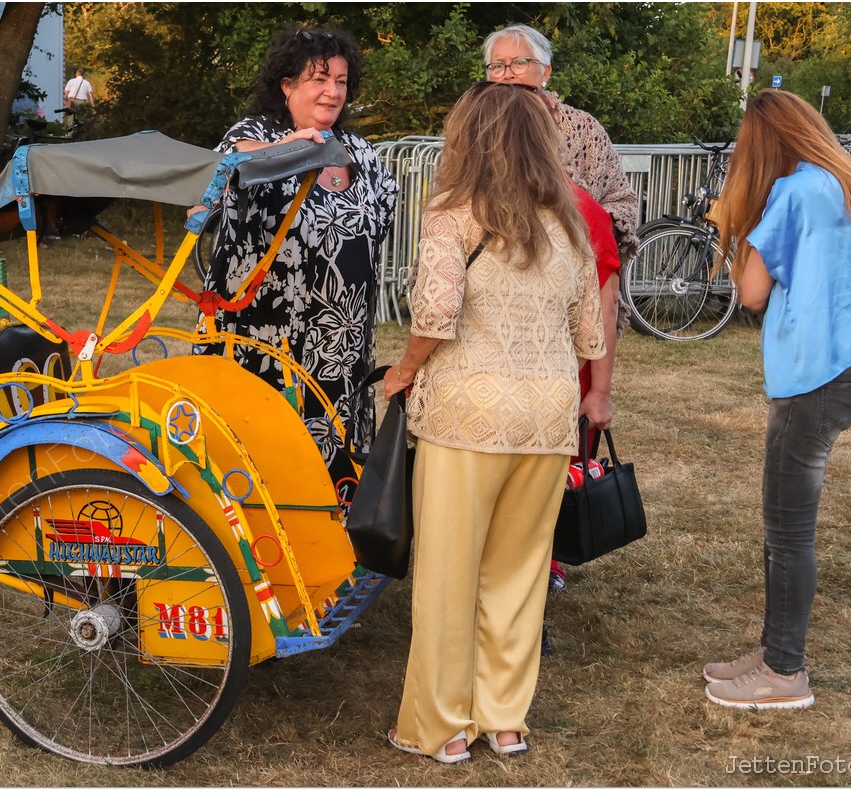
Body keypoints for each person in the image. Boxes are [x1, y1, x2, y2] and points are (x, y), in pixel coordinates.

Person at [382, 80, 604, 763]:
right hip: (546, 413)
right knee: (519, 572)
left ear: (467, 137)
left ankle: (441, 725)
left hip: (468, 413)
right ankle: (505, 719)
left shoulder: (454, 210)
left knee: (450, 572)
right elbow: (589, 334)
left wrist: (402, 371)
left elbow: (435, 313)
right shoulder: (569, 221)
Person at [703, 90, 851, 710]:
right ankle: (775, 651)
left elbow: (751, 292)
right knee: (786, 528)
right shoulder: (842, 184)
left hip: (811, 376)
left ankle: (784, 673)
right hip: (849, 366)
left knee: (787, 529)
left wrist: (738, 226)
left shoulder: (792, 193)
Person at [202, 25, 399, 487]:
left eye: (342, 82)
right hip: (265, 340)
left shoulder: (362, 154)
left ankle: (335, 545)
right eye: (319, 79)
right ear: (287, 85)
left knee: (336, 457)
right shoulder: (255, 134)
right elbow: (228, 166)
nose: (333, 92)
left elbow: (381, 222)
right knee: (263, 460)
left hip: (341, 345)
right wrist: (297, 144)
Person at [484, 22, 632, 596]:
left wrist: (579, 226)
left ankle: (545, 555)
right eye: (496, 67)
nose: (505, 76)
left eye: (516, 64)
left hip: (571, 310)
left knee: (562, 440)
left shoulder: (580, 129)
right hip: (498, 319)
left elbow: (620, 205)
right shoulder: (479, 127)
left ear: (545, 71)